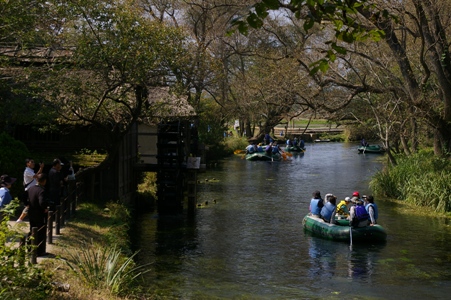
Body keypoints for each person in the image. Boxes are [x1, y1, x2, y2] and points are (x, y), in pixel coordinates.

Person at [17, 159, 44, 223]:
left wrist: (41, 168)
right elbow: (36, 176)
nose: (33, 163)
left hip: (32, 190)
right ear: (27, 163)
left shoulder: (30, 171)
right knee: (30, 205)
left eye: (33, 162)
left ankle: (21, 219)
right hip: (29, 191)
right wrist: (41, 168)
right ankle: (20, 219)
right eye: (31, 162)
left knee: (32, 205)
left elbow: (37, 175)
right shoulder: (27, 171)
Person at [27, 173, 48, 256]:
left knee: (32, 230)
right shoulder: (41, 190)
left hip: (31, 212)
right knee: (40, 232)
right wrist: (45, 208)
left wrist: (27, 204)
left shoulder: (30, 188)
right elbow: (41, 202)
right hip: (39, 214)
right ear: (44, 181)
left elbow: (24, 197)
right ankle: (39, 251)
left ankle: (29, 248)